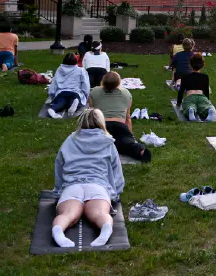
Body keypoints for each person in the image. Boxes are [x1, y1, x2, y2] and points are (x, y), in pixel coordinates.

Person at [51, 109, 125, 248]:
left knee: (68, 215)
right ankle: (105, 229)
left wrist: (58, 190)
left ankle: (58, 231)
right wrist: (116, 193)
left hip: (72, 186)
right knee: (99, 214)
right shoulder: (108, 142)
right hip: (98, 186)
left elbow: (59, 165)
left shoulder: (70, 140)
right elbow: (117, 171)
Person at [89, 72, 151, 162]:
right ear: (118, 83)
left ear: (103, 81)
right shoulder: (126, 93)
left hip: (101, 125)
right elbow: (128, 118)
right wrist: (131, 136)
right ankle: (140, 151)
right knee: (127, 144)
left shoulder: (94, 91)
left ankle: (104, 146)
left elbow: (91, 114)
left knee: (96, 144)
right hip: (120, 126)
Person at [47, 53, 91, 119]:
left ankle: (52, 109)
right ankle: (73, 106)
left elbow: (54, 83)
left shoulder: (59, 69)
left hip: (61, 92)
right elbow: (85, 84)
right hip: (75, 93)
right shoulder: (81, 70)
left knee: (60, 102)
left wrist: (51, 94)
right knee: (74, 101)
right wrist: (86, 94)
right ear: (75, 61)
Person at [177, 54, 214, 121]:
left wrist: (178, 103)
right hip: (202, 97)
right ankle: (208, 111)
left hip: (190, 97)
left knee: (189, 105)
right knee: (203, 107)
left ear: (190, 65)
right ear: (202, 65)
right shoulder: (205, 77)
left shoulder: (185, 76)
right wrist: (207, 100)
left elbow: (181, 91)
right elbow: (206, 91)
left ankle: (191, 111)